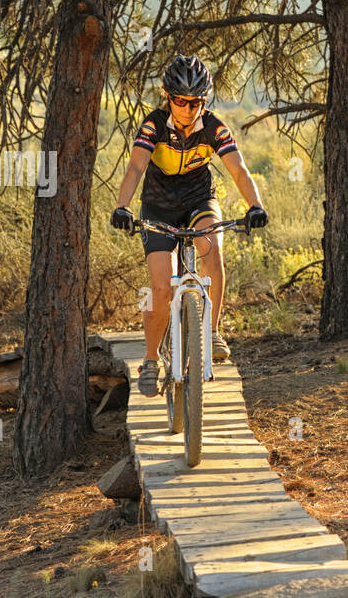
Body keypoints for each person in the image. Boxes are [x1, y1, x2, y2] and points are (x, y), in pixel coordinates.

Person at [110, 55, 268, 397]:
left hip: (199, 200)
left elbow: (238, 169)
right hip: (159, 207)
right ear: (168, 98)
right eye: (179, 101)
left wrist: (255, 205)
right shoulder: (153, 125)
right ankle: (151, 360)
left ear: (203, 101)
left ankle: (210, 333)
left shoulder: (214, 127)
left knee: (213, 248)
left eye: (194, 102)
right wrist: (121, 207)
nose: (186, 108)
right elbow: (136, 168)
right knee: (161, 288)